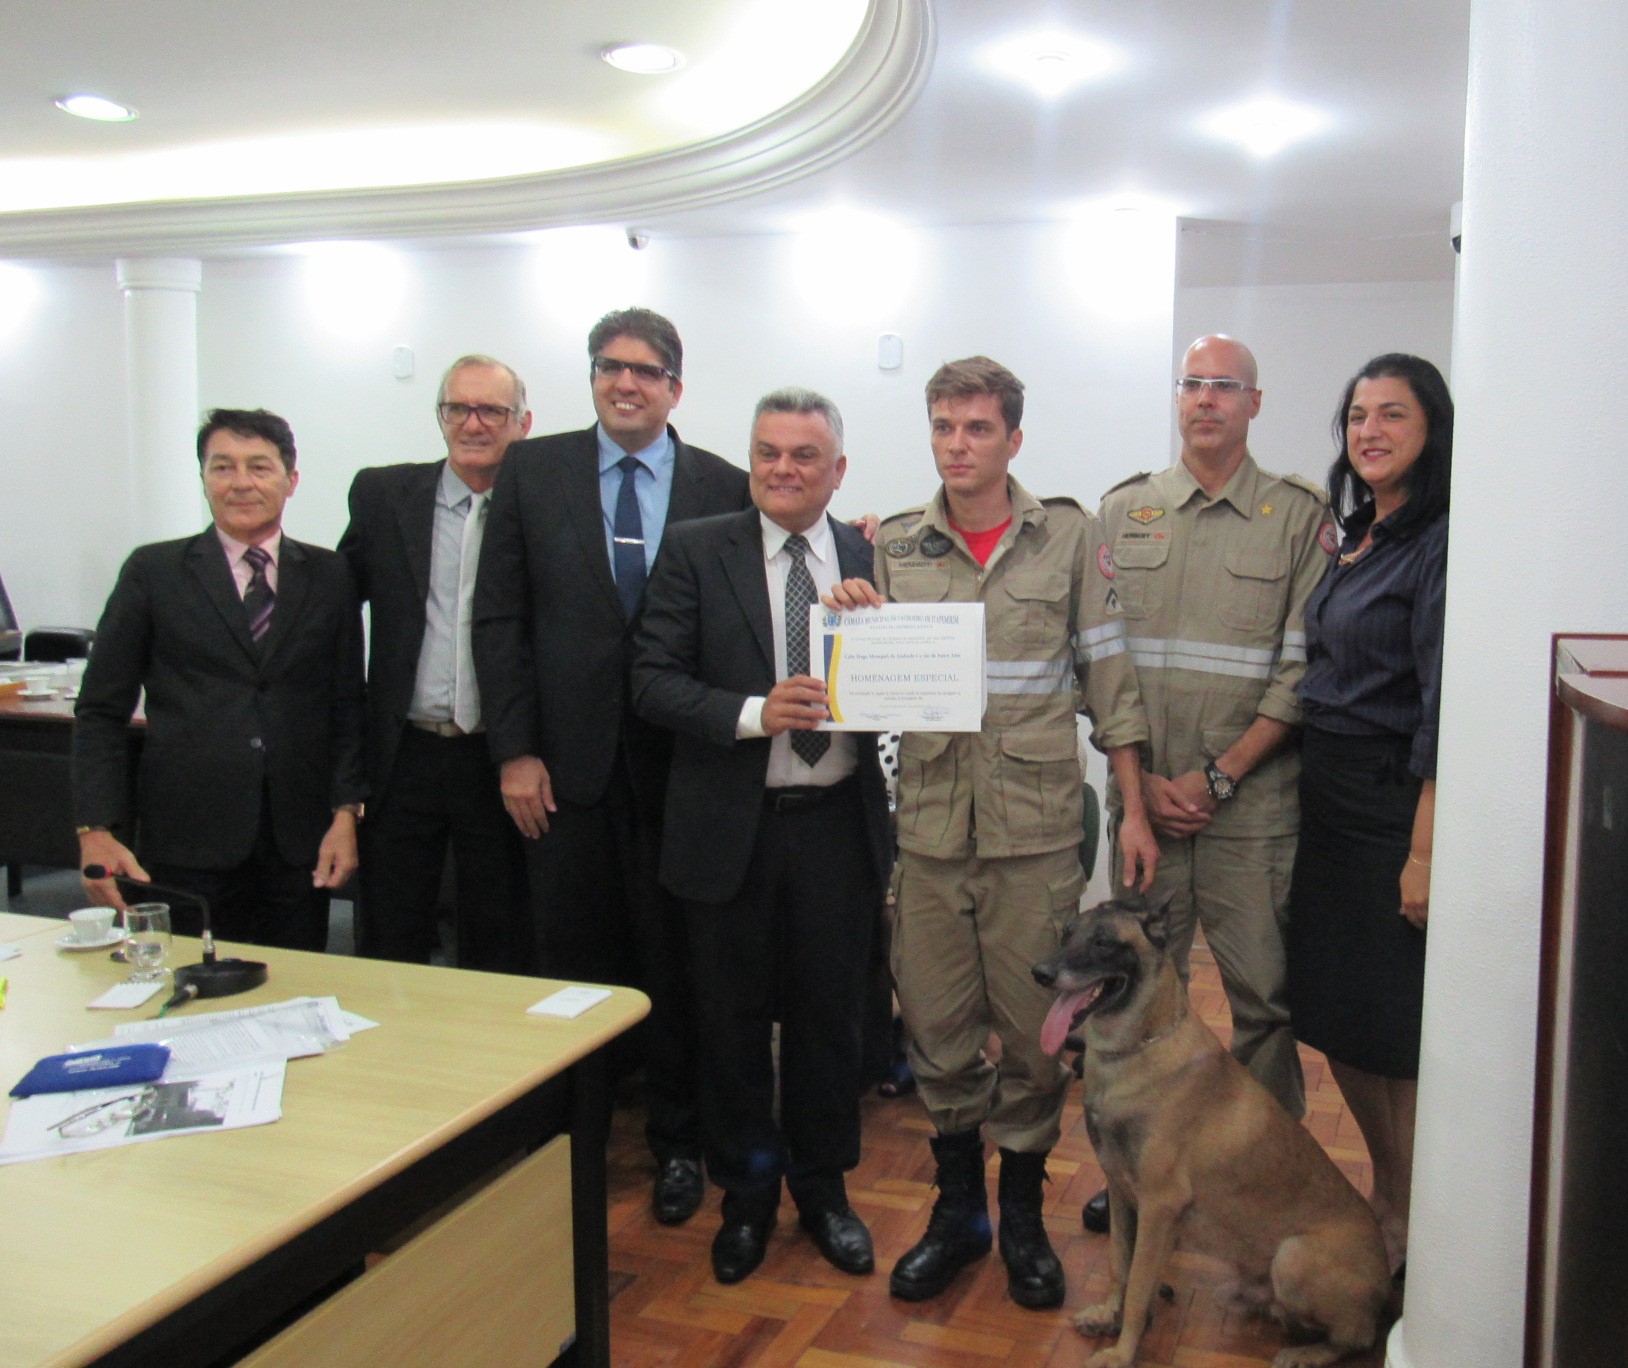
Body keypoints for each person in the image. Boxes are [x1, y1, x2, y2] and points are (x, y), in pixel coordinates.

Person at [829, 356, 1158, 1310]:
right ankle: (958, 1214)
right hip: (931, 835)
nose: (958, 445)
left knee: (1031, 1037)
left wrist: (1134, 809)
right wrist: (852, 622)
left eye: (977, 428)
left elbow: (1111, 681)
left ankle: (1020, 1217)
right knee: (936, 1031)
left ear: (1014, 438)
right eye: (943, 427)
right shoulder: (895, 544)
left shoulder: (1068, 537)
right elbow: (868, 688)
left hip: (1034, 838)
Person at [472, 307, 751, 1226]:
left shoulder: (724, 483)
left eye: (645, 370)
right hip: (564, 770)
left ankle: (678, 1144)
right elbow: (499, 619)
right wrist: (514, 749)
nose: (624, 383)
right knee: (571, 963)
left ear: (676, 386)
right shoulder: (533, 470)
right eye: (608, 366)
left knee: (677, 965)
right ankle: (571, 1141)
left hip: (684, 770)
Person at [631, 387, 892, 1285]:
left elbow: (906, 690)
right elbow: (650, 680)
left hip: (836, 832)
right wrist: (752, 712)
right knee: (731, 1026)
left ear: (838, 470)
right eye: (767, 453)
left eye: (803, 455)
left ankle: (824, 1192)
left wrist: (878, 637)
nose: (783, 469)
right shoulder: (695, 549)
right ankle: (745, 1200)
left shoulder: (871, 556)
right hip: (727, 833)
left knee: (830, 1024)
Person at [1085, 335, 1334, 1231]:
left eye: (1225, 386)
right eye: (1192, 383)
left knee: (1263, 1002)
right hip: (1143, 808)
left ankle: (1257, 1180)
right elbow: (1101, 661)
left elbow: (1305, 669)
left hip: (1250, 811)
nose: (1205, 399)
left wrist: (1219, 779)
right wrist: (1141, 787)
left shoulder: (1297, 516)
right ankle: (1136, 1171)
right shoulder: (1123, 512)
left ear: (1254, 403)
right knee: (1137, 1001)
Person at [73, 408, 365, 950]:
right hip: (187, 835)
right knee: (189, 980)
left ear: (291, 479)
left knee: (297, 983)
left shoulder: (329, 575)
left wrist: (347, 812)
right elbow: (100, 711)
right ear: (204, 478)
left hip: (298, 840)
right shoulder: (153, 572)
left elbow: (347, 704)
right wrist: (95, 828)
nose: (241, 482)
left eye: (259, 467)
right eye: (223, 467)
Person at [1287, 353, 1451, 1276]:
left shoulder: (1438, 542)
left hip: (1392, 806)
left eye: (1393, 414)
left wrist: (1422, 850)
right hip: (1330, 799)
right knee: (1339, 1016)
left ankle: (1411, 1217)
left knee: (1392, 1029)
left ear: (1432, 430)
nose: (1370, 431)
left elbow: (1441, 704)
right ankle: (1392, 1195)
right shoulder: (1358, 533)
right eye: (1357, 415)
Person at [337, 355, 531, 972]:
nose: (473, 423)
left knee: (498, 938)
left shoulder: (543, 509)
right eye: (458, 408)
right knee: (390, 933)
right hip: (404, 754)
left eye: (492, 410)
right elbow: (334, 607)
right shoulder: (384, 496)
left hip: (498, 756)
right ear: (440, 416)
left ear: (522, 423)